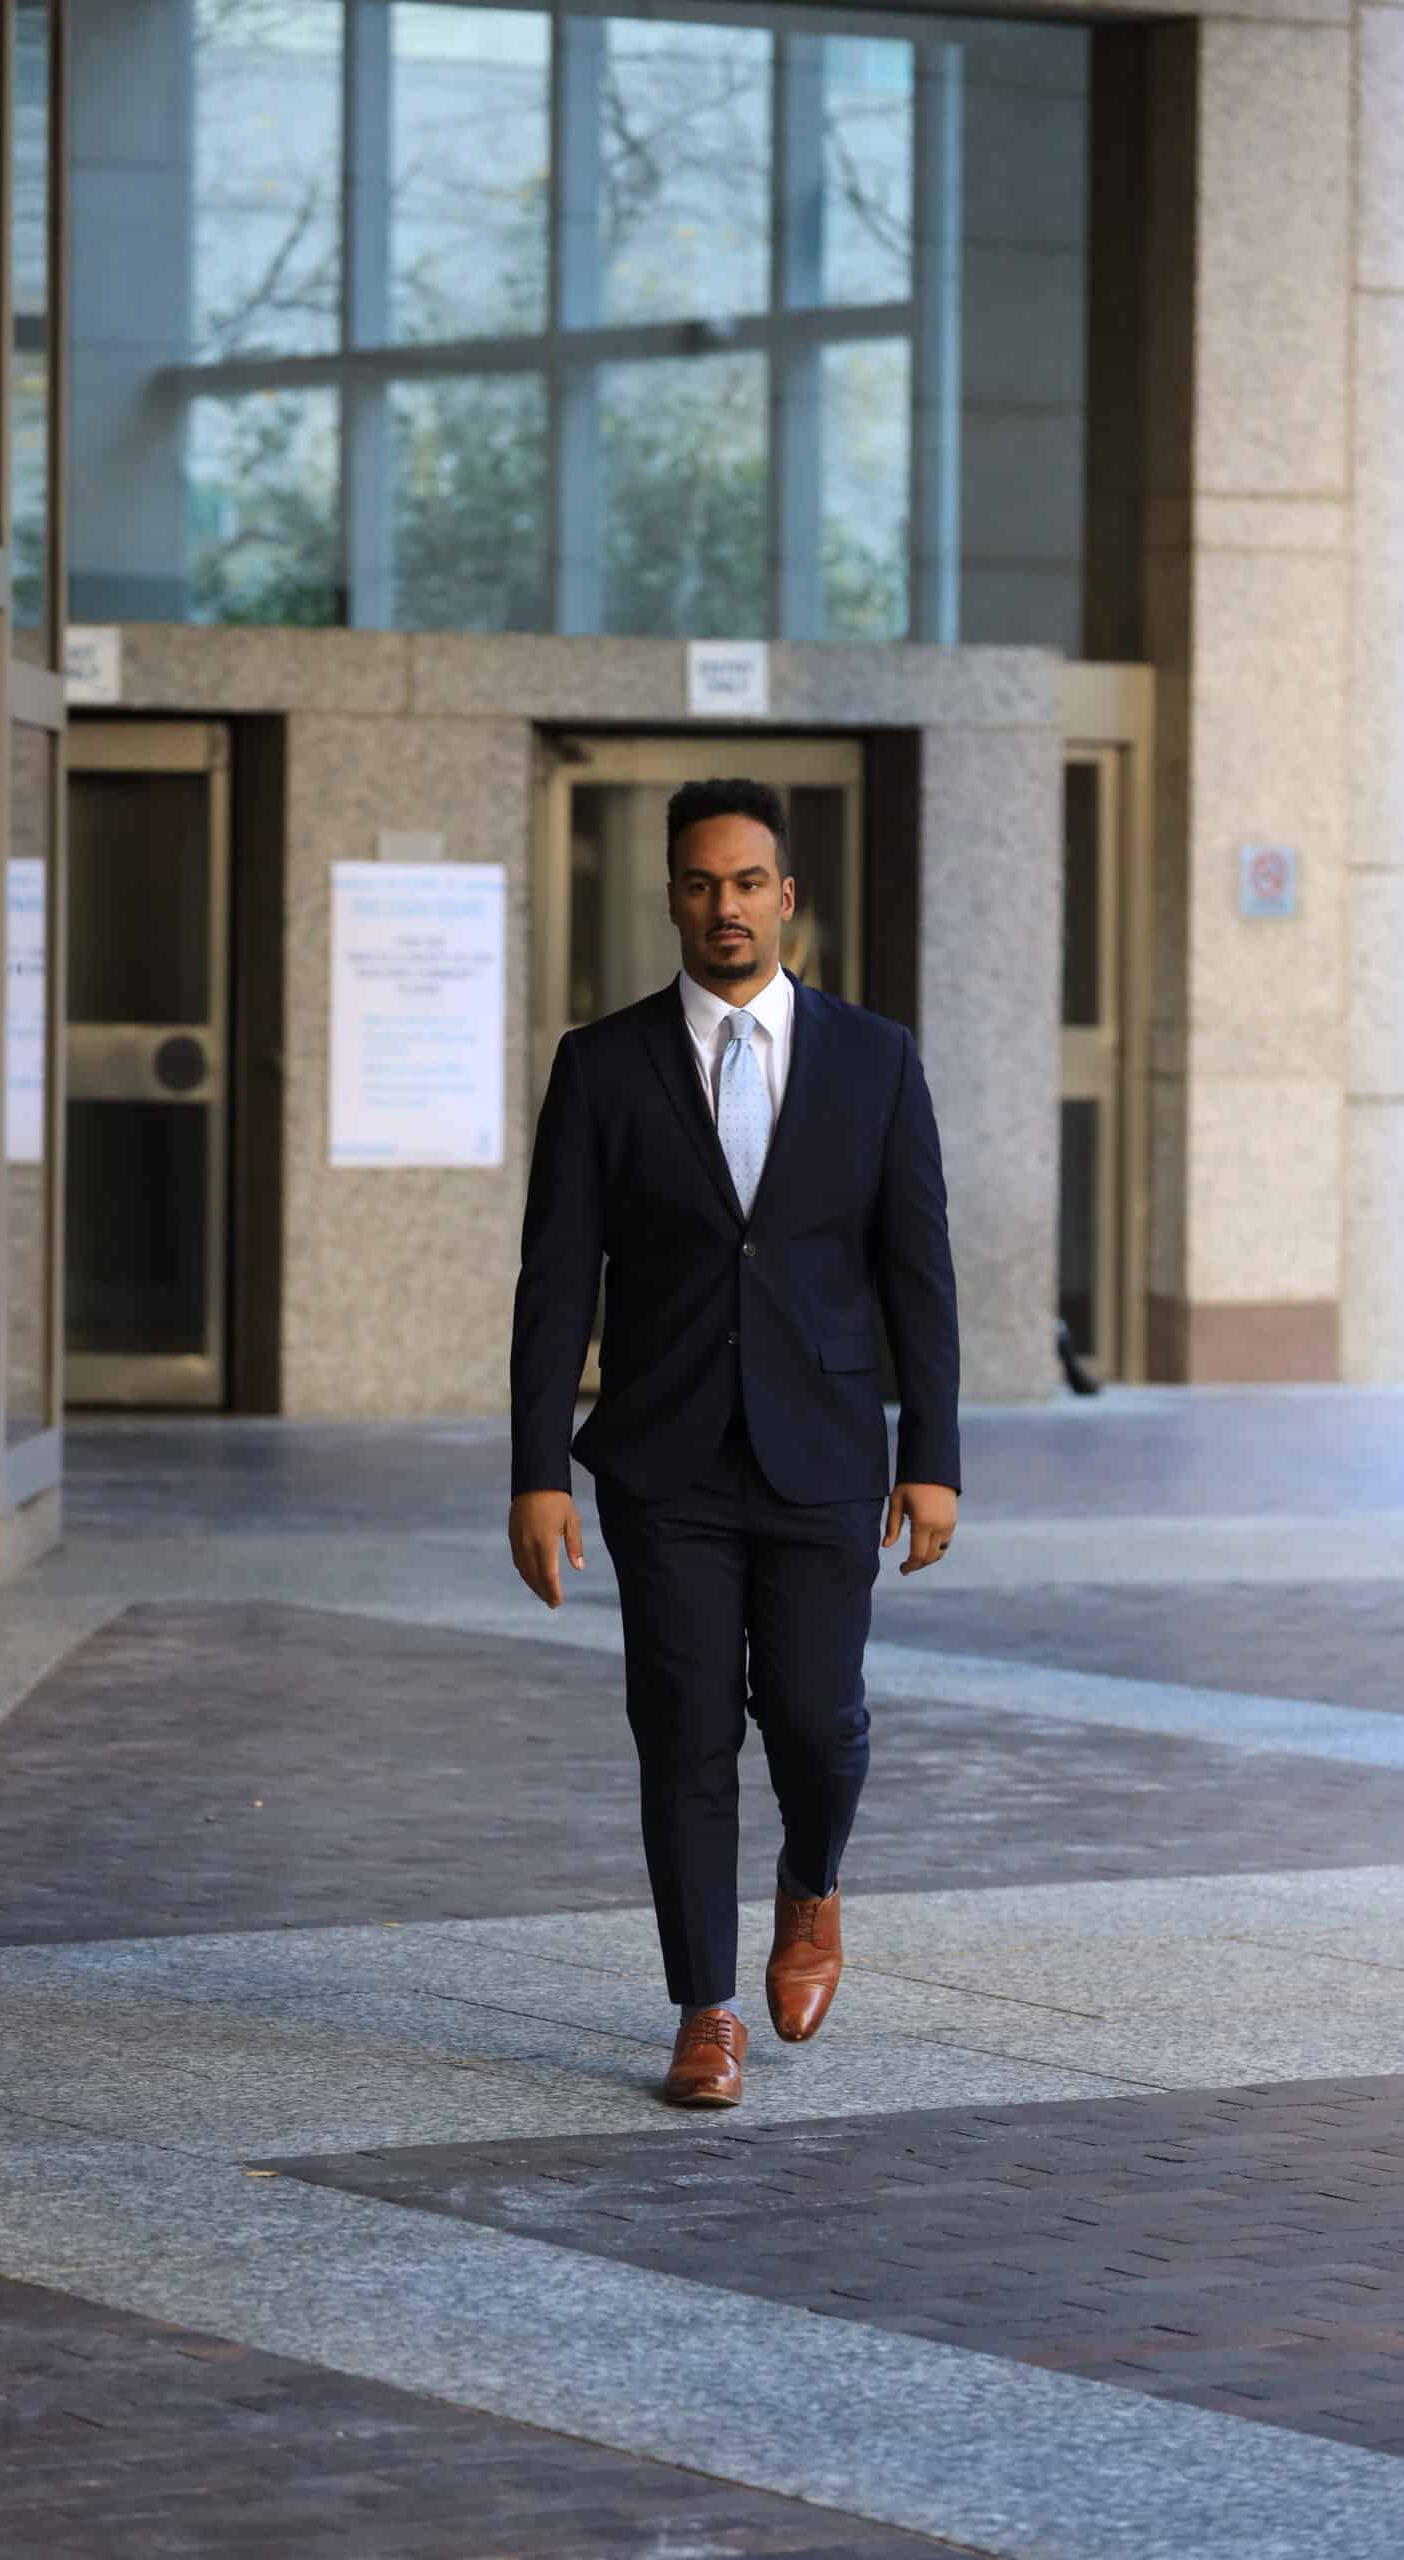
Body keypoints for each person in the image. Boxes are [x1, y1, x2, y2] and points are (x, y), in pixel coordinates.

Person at [508, 778, 961, 2108]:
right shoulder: (603, 1064)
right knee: (686, 1734)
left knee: (819, 1723)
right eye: (702, 885)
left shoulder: (876, 1061)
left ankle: (811, 1886)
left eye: (749, 882)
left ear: (786, 899)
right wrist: (539, 1468)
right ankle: (706, 2009)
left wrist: (931, 1455)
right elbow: (555, 1282)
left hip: (825, 1454)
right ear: (673, 899)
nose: (727, 908)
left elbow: (918, 1273)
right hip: (666, 1462)